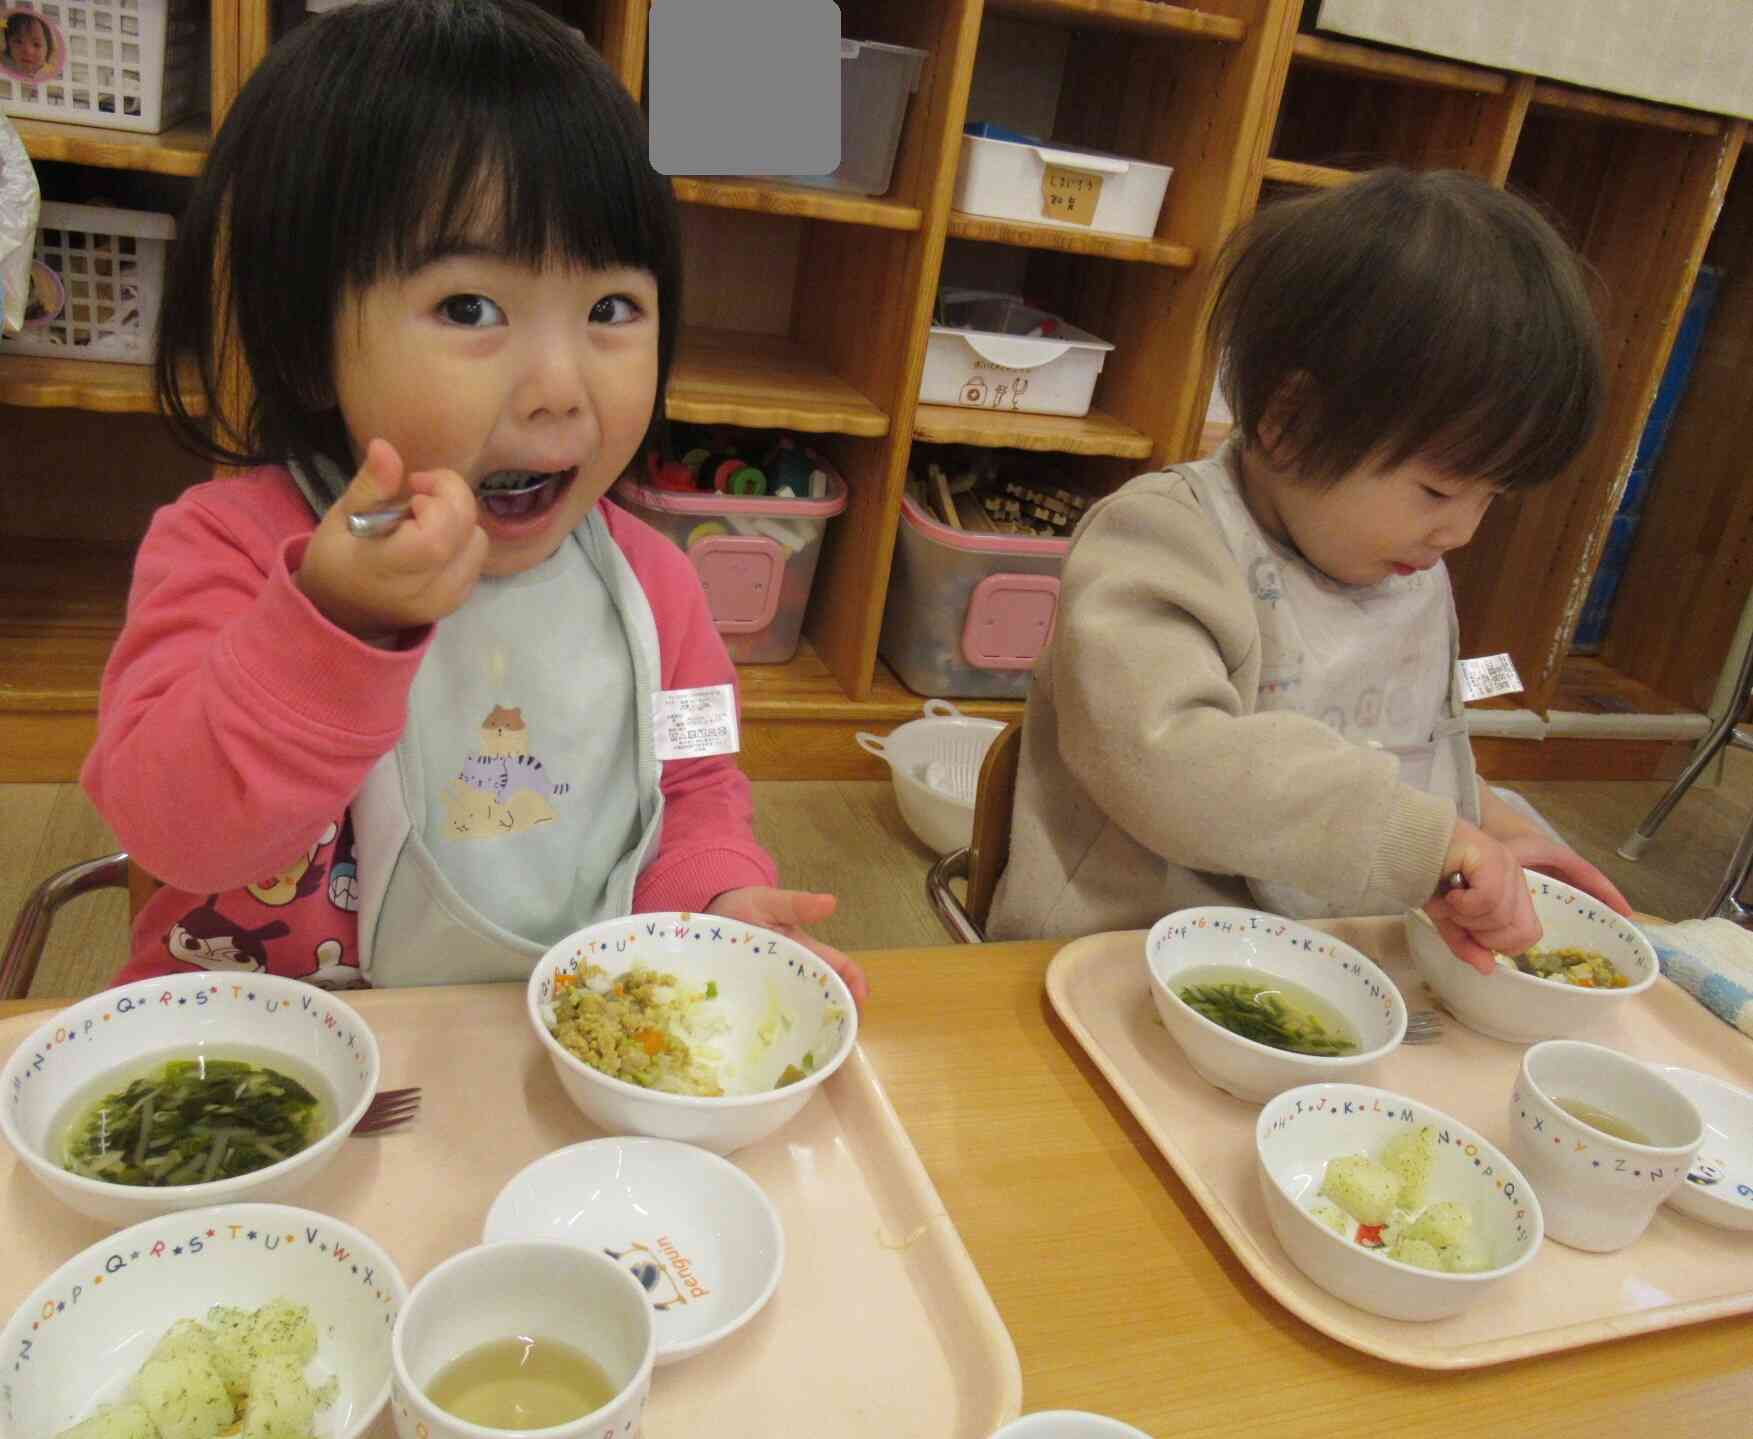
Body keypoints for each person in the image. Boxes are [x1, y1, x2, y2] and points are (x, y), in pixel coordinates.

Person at [82, 0, 867, 1003]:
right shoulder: (230, 549)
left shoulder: (658, 589)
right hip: (263, 1055)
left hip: (544, 1045)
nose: (558, 385)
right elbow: (174, 829)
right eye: (469, 307)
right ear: (304, 342)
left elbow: (698, 783)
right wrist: (334, 618)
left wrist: (716, 897)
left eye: (611, 309)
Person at [988, 169, 1631, 971]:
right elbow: (1167, 762)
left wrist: (1491, 829)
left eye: (1489, 496)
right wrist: (1424, 840)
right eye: (1437, 488)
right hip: (1119, 960)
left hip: (1331, 959)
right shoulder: (1161, 540)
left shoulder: (1394, 559)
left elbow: (1389, 745)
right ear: (1290, 423)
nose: (1462, 529)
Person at [3, 10, 53, 79]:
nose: (28, 51)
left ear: (48, 49)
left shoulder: (48, 71)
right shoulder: (6, 62)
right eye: (18, 41)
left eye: (36, 44)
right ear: (8, 44)